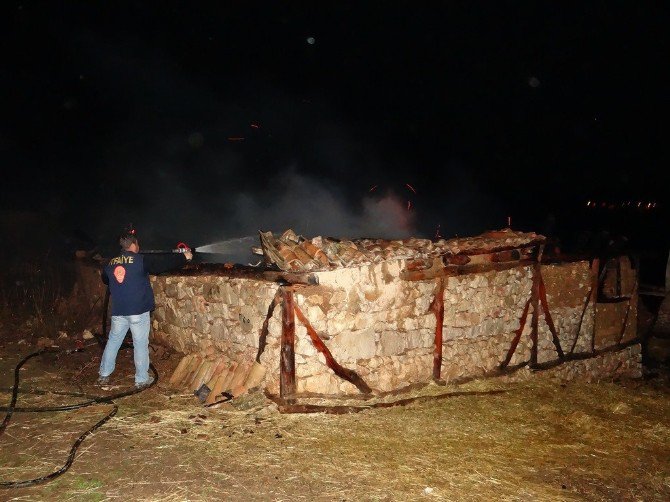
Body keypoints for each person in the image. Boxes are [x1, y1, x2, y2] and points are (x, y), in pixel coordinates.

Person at [98, 228, 193, 387]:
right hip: (138, 311)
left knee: (113, 341)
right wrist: (185, 256)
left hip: (119, 312)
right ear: (134, 245)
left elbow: (105, 279)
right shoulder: (141, 260)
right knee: (140, 343)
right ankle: (141, 379)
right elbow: (162, 265)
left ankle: (103, 375)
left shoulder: (110, 263)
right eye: (137, 243)